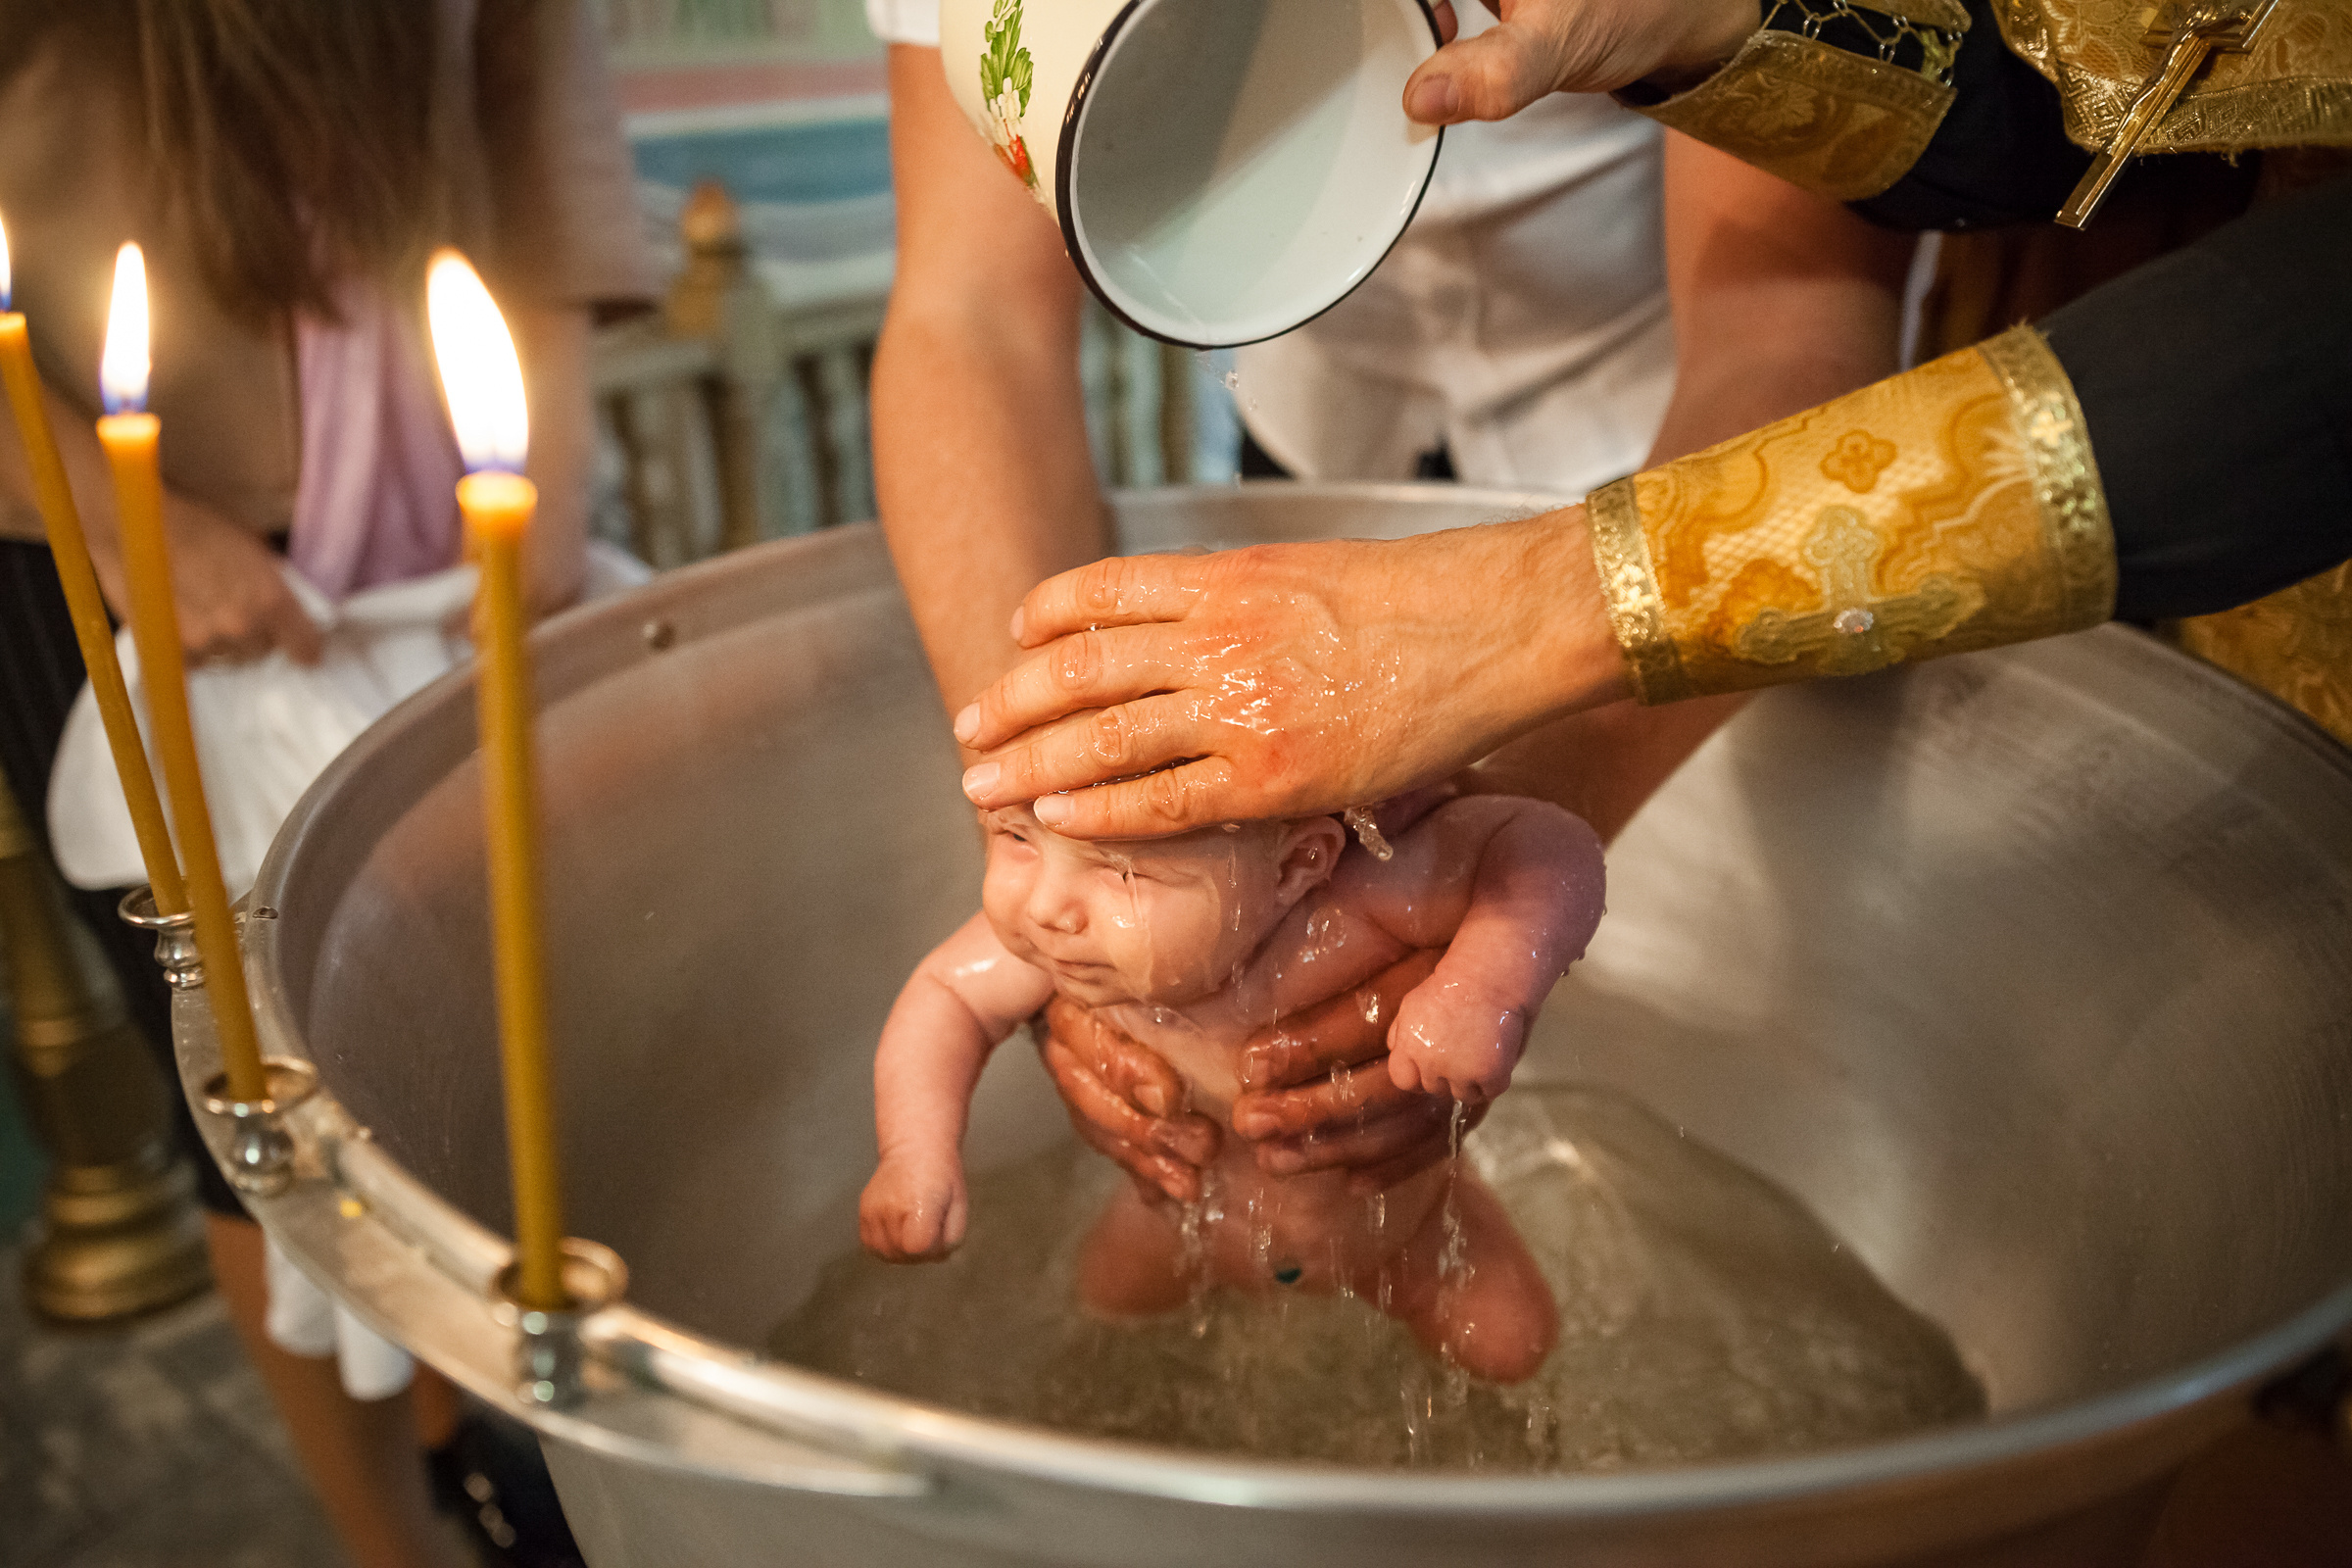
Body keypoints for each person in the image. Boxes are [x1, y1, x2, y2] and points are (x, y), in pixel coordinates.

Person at [946, 0, 2352, 840]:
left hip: (1705, 447)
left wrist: (1539, 642)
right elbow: (2101, 87)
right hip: (1338, 453)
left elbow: (1793, 319)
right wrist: (1722, 27)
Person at [0, 4, 650, 1566]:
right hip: (118, 528)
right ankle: (385, 1539)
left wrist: (549, 463)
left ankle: (462, 1441)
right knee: (257, 1096)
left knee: (479, 1045)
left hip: (451, 486)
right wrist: (107, 506)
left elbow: (532, 79)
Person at [866, 0, 1706, 1207]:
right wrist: (1053, 815)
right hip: (1311, 432)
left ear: (1307, 859)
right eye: (1024, 853)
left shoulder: (1373, 882)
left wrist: (1476, 955)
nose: (1050, 907)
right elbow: (971, 314)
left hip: (1656, 469)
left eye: (1123, 876)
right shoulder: (1054, 909)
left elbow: (1793, 324)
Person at [859, 792, 1605, 1381]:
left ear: (1292, 866)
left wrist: (1484, 988)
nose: (1047, 909)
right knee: (1101, 1333)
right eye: (1017, 837)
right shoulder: (1070, 942)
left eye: (1123, 871)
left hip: (1405, 1231)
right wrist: (914, 1153)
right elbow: (949, 996)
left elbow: (1550, 848)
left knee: (1513, 1349)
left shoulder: (1362, 900)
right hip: (1178, 1221)